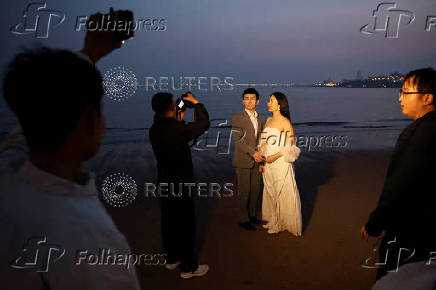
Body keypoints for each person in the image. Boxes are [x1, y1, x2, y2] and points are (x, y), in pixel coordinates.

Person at [0, 12, 141, 290]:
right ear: (91, 121)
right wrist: (93, 49)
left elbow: (27, 125)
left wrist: (92, 50)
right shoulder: (93, 241)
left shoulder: (7, 170)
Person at [361, 68, 436, 281]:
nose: (400, 98)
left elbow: (400, 182)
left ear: (427, 98)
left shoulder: (417, 132)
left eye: (406, 92)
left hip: (412, 230)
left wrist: (375, 222)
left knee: (394, 280)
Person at [149, 92, 210, 279]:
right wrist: (196, 103)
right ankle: (188, 268)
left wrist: (179, 112)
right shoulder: (177, 129)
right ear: (171, 108)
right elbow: (203, 124)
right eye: (174, 104)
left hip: (165, 181)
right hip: (181, 183)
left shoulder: (154, 128)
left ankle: (171, 259)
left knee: (169, 221)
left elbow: (172, 125)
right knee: (185, 224)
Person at [258, 92, 302, 235]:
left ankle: (280, 224)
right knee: (270, 190)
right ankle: (273, 219)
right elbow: (263, 142)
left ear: (279, 105)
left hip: (280, 162)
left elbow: (291, 146)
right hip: (267, 163)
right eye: (269, 100)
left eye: (271, 101)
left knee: (281, 192)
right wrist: (263, 159)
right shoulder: (268, 121)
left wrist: (275, 156)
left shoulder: (285, 122)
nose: (268, 103)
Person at [231, 88, 265, 231]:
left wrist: (261, 159)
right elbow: (238, 140)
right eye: (246, 98)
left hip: (257, 161)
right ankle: (243, 219)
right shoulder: (237, 118)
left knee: (255, 189)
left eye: (252, 98)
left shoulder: (261, 118)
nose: (249, 101)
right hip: (243, 160)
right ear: (243, 101)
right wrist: (253, 153)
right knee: (244, 191)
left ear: (257, 101)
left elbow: (261, 140)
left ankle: (252, 215)